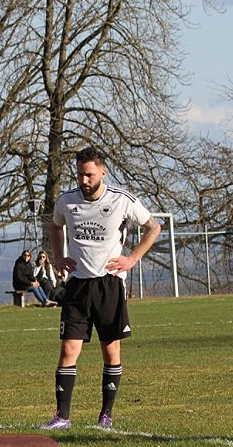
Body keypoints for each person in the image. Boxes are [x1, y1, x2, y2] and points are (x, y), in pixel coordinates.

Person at [41, 147, 161, 430]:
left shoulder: (121, 200)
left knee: (110, 350)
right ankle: (62, 416)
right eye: (80, 174)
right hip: (77, 286)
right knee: (68, 350)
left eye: (89, 174)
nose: (84, 180)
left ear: (102, 172)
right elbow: (55, 227)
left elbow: (153, 227)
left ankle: (106, 415)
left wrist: (132, 259)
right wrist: (58, 256)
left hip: (109, 284)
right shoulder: (67, 201)